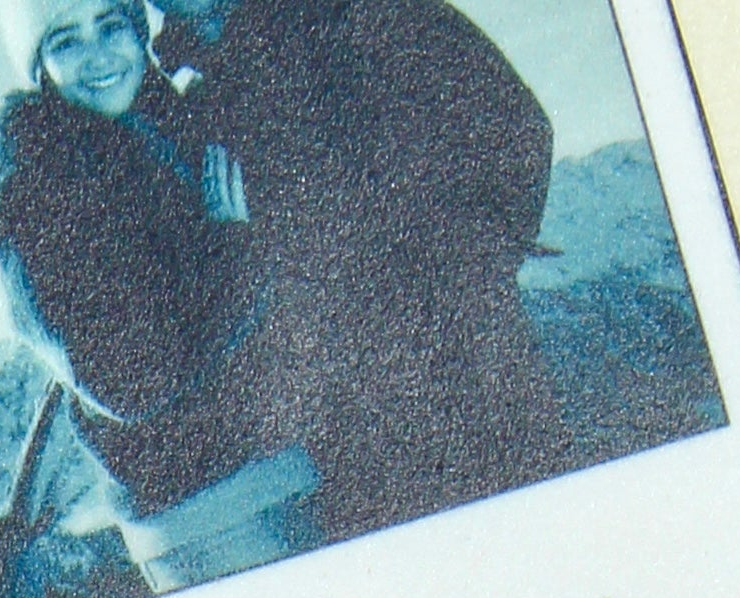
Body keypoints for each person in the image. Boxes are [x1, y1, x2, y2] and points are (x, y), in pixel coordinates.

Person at [154, 0, 572, 531]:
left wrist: (465, 279)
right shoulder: (200, 105)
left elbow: (514, 129)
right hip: (353, 429)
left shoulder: (356, 12)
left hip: (472, 373)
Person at [0, 0, 294, 523]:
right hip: (205, 504)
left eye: (111, 27)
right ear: (39, 69)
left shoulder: (160, 127)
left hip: (272, 445)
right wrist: (233, 254)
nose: (99, 56)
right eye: (66, 41)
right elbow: (128, 380)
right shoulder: (37, 193)